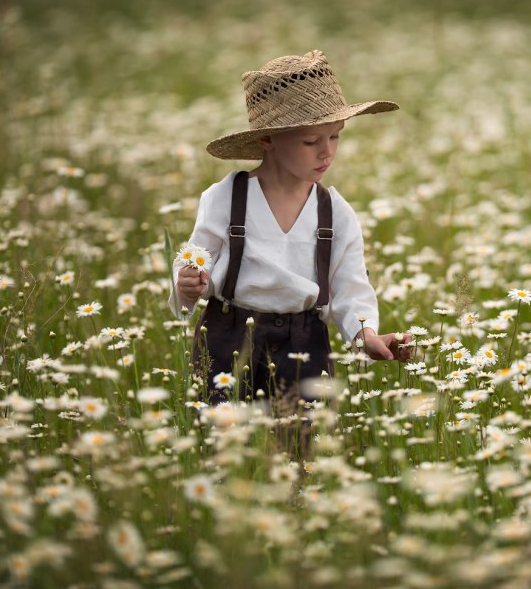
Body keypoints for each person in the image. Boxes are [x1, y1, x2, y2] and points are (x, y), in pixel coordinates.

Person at [168, 50, 412, 450]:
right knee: (225, 444)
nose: (326, 152)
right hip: (229, 336)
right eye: (311, 140)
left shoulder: (336, 212)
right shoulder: (225, 197)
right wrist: (189, 285)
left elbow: (349, 287)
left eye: (335, 136)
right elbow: (196, 259)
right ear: (267, 139)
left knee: (301, 447)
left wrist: (365, 334)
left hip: (305, 340)